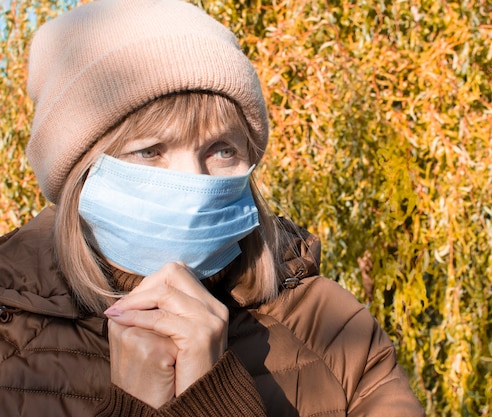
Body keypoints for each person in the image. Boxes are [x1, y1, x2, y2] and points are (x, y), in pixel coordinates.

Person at [0, 0, 425, 416]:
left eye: (222, 150)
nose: (194, 181)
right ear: (79, 172)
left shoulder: (332, 329)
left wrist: (214, 399)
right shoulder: (10, 337)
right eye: (149, 151)